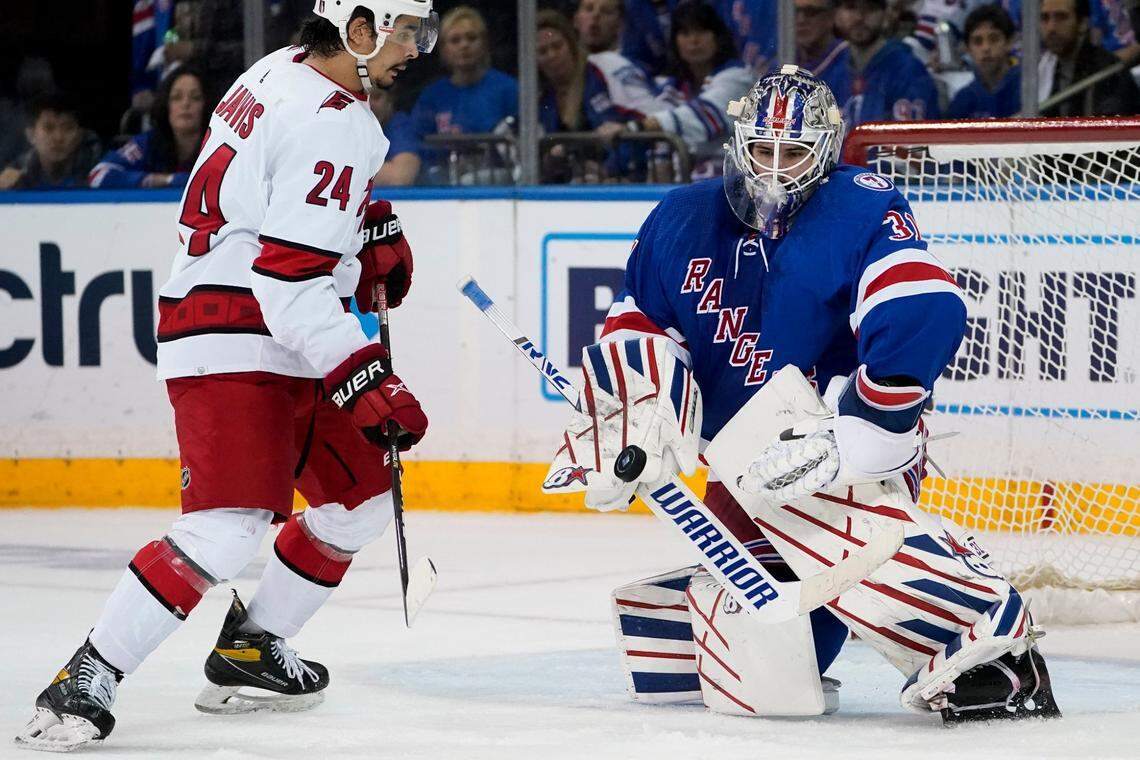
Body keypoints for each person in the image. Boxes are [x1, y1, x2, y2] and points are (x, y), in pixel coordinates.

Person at [547, 67, 1060, 724]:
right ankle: (787, 621)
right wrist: (636, 420)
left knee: (841, 542)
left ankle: (992, 648)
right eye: (763, 150)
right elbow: (638, 327)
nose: (775, 169)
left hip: (838, 444)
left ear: (823, 152)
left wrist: (857, 435)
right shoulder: (681, 218)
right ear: (738, 145)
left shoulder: (860, 208)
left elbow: (925, 308)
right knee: (761, 679)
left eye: (794, 153)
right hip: (741, 468)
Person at [14, 1, 438, 752]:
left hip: (269, 324)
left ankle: (251, 646)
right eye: (406, 30)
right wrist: (364, 376)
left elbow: (287, 191)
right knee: (228, 525)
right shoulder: (332, 122)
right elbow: (289, 280)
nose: (417, 47)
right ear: (360, 30)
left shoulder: (281, 67)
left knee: (362, 500)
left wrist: (361, 224)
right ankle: (87, 672)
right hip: (236, 330)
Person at [599, 1, 753, 178]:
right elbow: (653, 120)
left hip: (730, 185)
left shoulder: (738, 78)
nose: (693, 41)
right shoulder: (672, 88)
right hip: (683, 187)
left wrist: (635, 127)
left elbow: (699, 117)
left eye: (701, 32)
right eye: (685, 33)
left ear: (718, 37)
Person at [409, 6, 518, 183]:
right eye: (455, 40)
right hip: (443, 187)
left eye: (472, 37)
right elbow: (416, 144)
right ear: (443, 49)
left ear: (485, 43)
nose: (464, 45)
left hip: (498, 186)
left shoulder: (508, 89)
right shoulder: (432, 96)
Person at [89, 65, 210, 189]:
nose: (185, 104)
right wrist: (164, 180)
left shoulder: (219, 144)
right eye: (176, 97)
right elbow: (97, 175)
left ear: (206, 105)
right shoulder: (147, 143)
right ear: (166, 106)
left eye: (195, 98)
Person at [835, 0, 941, 126]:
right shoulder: (832, 67)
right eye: (851, 7)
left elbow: (913, 141)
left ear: (886, 15)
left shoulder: (909, 71)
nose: (859, 17)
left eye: (870, 9)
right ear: (837, 15)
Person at [1039, 0, 1140, 116]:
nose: (1051, 28)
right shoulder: (1045, 69)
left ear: (1083, 23)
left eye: (1061, 17)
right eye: (1045, 18)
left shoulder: (1107, 72)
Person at [574, 0, 659, 118]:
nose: (595, 16)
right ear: (576, 20)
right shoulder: (563, 68)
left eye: (606, 11)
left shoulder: (632, 68)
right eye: (589, 9)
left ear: (620, 25)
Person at [0, 92, 101, 191]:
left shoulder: (98, 173)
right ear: (31, 135)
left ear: (80, 135)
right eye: (48, 128)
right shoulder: (16, 173)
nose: (58, 137)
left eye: (67, 128)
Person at [947, 5, 1020, 118]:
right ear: (968, 49)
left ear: (1009, 42)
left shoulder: (1027, 88)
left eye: (994, 39)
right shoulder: (963, 100)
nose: (986, 48)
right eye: (977, 41)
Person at [796, 0, 851, 104]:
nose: (801, 20)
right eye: (795, 12)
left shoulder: (849, 61)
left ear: (831, 16)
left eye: (811, 12)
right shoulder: (782, 61)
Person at [371, 87, 421, 185]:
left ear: (389, 101)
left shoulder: (399, 124)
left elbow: (400, 176)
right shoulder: (342, 123)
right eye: (362, 98)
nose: (369, 104)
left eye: (376, 97)